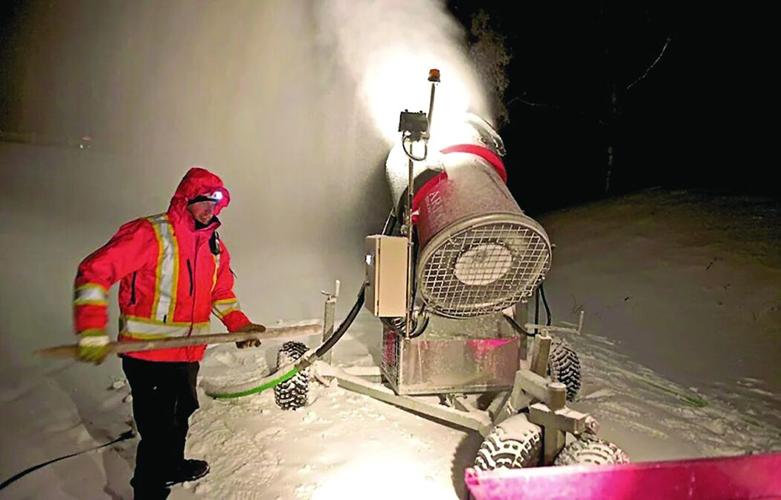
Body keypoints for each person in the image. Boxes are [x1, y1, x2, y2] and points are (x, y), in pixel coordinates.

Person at [72, 166, 265, 499]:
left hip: (187, 354)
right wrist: (90, 329)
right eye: (203, 202)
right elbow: (94, 272)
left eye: (215, 204)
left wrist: (239, 324)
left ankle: (173, 466)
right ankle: (150, 489)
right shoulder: (150, 234)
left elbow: (220, 292)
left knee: (181, 415)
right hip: (147, 355)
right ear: (185, 199)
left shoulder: (213, 244)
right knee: (158, 430)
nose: (210, 210)